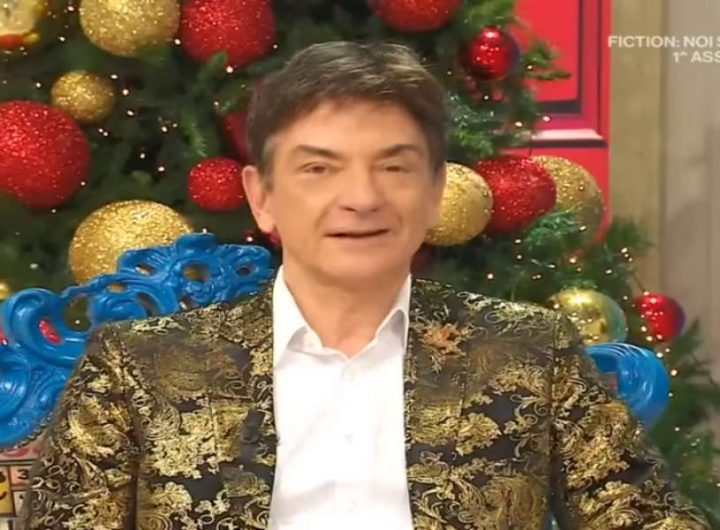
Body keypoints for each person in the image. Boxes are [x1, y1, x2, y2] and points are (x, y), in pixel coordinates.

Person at [20, 41, 709, 530]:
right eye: (319, 169)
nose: (361, 198)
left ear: (434, 193)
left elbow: (646, 517)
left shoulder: (532, 351)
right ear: (263, 198)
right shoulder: (137, 366)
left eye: (394, 168)